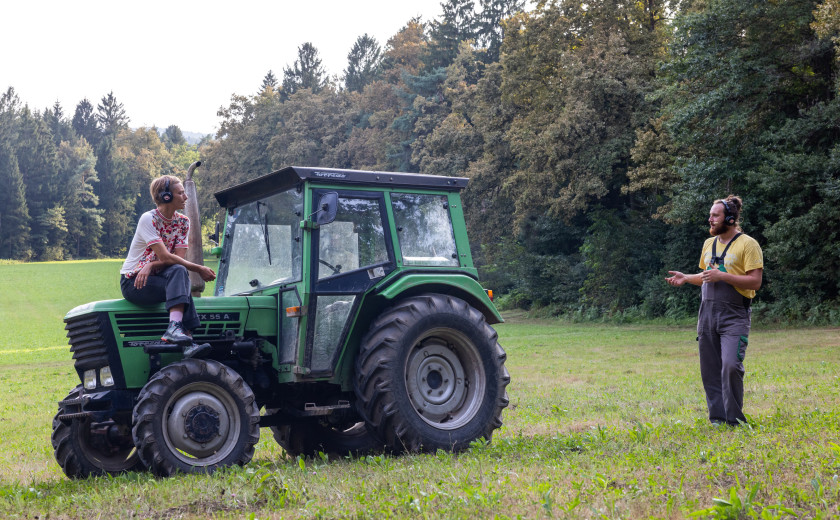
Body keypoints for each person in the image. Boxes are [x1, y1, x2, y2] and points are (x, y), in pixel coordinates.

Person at [665, 195, 763, 426]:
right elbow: (707, 277)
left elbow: (755, 282)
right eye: (710, 214)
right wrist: (686, 278)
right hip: (707, 314)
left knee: (731, 365)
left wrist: (723, 276)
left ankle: (735, 420)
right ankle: (717, 418)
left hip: (734, 315)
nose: (710, 219)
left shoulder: (748, 244)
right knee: (709, 369)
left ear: (729, 219)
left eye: (715, 215)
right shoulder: (708, 244)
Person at [119, 175, 216, 358]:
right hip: (135, 282)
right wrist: (199, 268)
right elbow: (166, 256)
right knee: (181, 276)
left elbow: (176, 259)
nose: (185, 197)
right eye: (180, 193)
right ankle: (185, 337)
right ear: (166, 197)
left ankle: (178, 333)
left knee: (179, 273)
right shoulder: (148, 219)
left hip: (162, 276)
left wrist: (152, 264)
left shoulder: (183, 223)